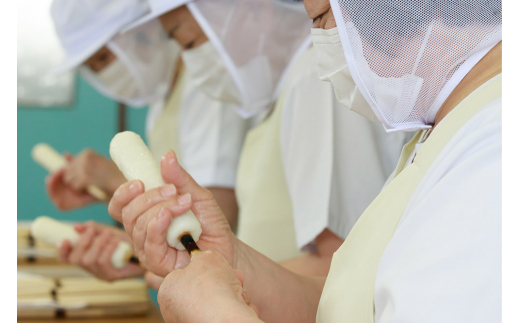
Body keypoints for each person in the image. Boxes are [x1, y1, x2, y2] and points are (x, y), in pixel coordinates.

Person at [107, 0, 501, 322]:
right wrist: (229, 260)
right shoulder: (446, 125)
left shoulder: (495, 148)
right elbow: (348, 307)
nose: (320, 48)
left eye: (321, 18)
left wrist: (218, 315)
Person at [47, 0, 249, 228]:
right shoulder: (162, 101)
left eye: (104, 58)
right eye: (93, 67)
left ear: (144, 31)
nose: (105, 73)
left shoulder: (208, 85)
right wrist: (107, 191)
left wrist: (116, 178)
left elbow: (217, 220)